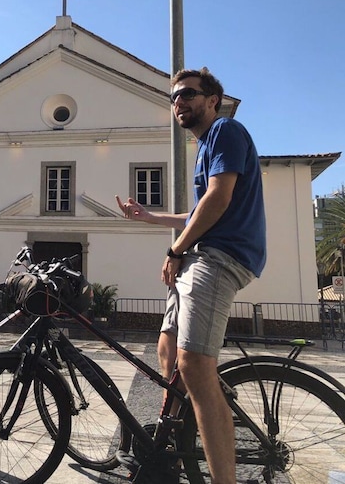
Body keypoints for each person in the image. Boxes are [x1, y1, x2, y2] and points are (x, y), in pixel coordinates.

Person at [116, 67, 266, 484]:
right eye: (174, 98)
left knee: (195, 364)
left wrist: (175, 248)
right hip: (199, 253)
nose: (178, 102)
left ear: (213, 99)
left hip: (221, 254)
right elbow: (195, 212)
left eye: (187, 94)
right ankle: (175, 446)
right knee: (168, 352)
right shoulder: (204, 148)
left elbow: (218, 201)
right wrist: (149, 218)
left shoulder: (224, 133)